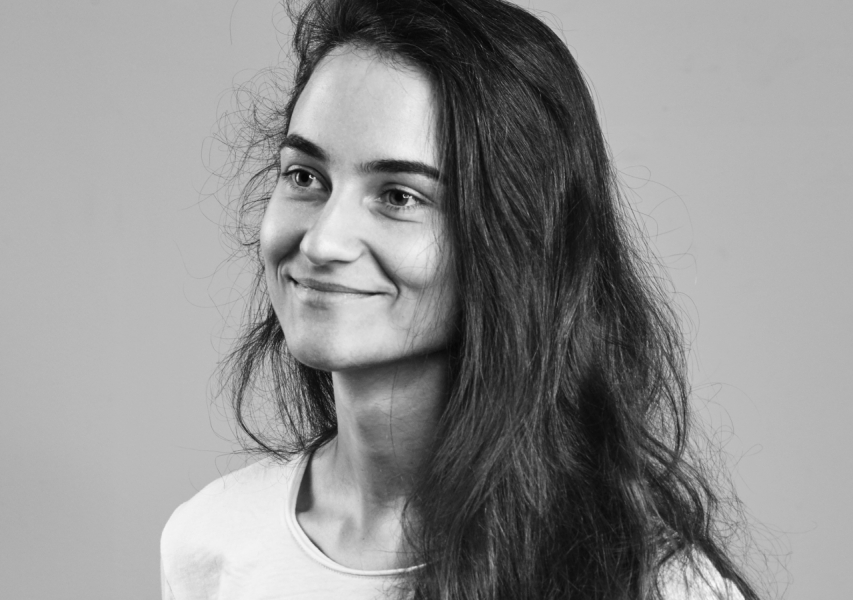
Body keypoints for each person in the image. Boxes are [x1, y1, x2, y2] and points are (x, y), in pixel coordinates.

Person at [161, 0, 761, 598]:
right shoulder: (209, 544)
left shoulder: (649, 581)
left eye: (399, 196)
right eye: (305, 177)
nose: (322, 242)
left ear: (517, 239)